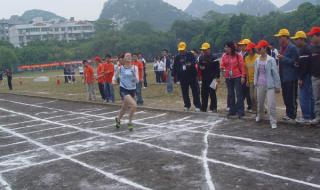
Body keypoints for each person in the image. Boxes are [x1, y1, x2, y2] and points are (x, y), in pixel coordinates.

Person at [254, 40, 281, 129]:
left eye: (260, 48)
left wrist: (277, 86)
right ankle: (259, 115)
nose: (258, 50)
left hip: (270, 85)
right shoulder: (257, 60)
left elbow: (275, 73)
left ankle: (273, 121)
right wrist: (255, 82)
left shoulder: (271, 60)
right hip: (260, 84)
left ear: (265, 48)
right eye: (258, 48)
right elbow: (256, 72)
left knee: (271, 104)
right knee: (260, 103)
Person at [274, 29, 299, 121]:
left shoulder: (292, 48)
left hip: (291, 77)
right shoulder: (281, 48)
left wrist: (283, 58)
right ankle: (288, 114)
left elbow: (296, 62)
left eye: (280, 37)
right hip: (283, 77)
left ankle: (292, 115)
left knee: (291, 97)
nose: (279, 39)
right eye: (279, 37)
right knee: (285, 96)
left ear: (286, 37)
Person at [291, 31, 315, 124]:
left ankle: (306, 116)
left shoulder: (304, 50)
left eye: (296, 39)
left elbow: (304, 66)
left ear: (302, 39)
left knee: (304, 96)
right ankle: (311, 116)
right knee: (310, 96)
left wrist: (300, 78)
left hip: (305, 76)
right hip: (309, 75)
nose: (295, 41)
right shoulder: (307, 48)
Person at [172, 41, 201, 112]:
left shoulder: (190, 54)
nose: (181, 51)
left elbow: (195, 62)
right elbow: (175, 67)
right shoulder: (177, 57)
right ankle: (187, 105)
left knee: (195, 91)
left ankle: (197, 106)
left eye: (182, 50)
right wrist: (173, 75)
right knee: (185, 92)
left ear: (186, 48)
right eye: (180, 50)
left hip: (192, 76)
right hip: (182, 77)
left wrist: (190, 64)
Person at [113, 53, 139, 131]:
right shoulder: (120, 68)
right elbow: (115, 76)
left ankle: (118, 119)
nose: (128, 57)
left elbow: (137, 81)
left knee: (124, 107)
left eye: (130, 56)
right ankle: (130, 122)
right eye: (126, 56)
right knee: (134, 105)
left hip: (132, 89)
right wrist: (113, 81)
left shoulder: (135, 68)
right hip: (123, 89)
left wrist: (134, 75)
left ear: (131, 58)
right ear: (123, 59)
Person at [221, 41, 246, 118]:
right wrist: (222, 68)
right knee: (231, 94)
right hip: (228, 77)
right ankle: (232, 110)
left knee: (239, 94)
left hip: (237, 76)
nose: (226, 49)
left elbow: (242, 66)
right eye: (225, 47)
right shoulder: (224, 56)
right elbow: (222, 65)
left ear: (231, 48)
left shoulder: (238, 56)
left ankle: (240, 111)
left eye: (227, 47)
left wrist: (243, 76)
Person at [198, 42, 220, 113]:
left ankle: (213, 108)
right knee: (204, 93)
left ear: (209, 49)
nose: (204, 51)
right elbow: (199, 66)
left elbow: (217, 69)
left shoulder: (214, 57)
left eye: (205, 50)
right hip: (204, 78)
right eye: (203, 50)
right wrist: (201, 68)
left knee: (212, 93)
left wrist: (217, 77)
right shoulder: (201, 57)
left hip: (213, 78)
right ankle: (203, 108)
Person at [307, 27, 320, 125]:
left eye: (312, 36)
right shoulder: (311, 48)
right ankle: (318, 117)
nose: (311, 38)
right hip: (315, 77)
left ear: (318, 36)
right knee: (317, 99)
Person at [238, 39, 253, 112]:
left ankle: (250, 105)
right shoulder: (239, 54)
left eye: (243, 45)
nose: (241, 47)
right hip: (240, 74)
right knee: (242, 91)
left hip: (248, 74)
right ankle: (241, 105)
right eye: (240, 45)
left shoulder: (249, 54)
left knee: (249, 92)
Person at [245, 42, 259, 112]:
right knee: (251, 96)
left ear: (253, 50)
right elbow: (247, 70)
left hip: (257, 80)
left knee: (255, 96)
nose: (248, 52)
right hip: (250, 80)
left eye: (249, 50)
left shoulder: (257, 57)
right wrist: (247, 80)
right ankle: (254, 109)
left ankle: (260, 109)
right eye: (247, 50)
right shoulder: (246, 58)